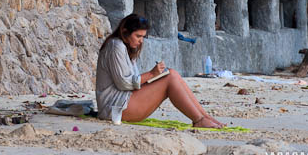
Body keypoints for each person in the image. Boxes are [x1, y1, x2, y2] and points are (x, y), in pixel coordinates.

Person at [95, 13, 224, 128]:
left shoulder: (126, 46)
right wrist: (152, 74)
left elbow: (132, 81)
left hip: (124, 102)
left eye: (143, 37)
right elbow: (124, 83)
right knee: (169, 78)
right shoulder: (115, 46)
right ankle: (198, 119)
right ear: (124, 31)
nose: (140, 41)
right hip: (115, 108)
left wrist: (155, 76)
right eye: (138, 36)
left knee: (172, 73)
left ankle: (205, 117)